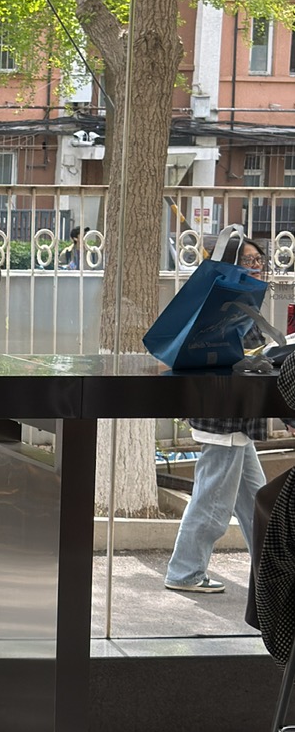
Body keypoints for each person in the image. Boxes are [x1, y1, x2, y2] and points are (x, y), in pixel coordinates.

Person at [165, 230, 268, 595]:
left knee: (258, 501)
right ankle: (185, 572)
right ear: (231, 265)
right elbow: (248, 355)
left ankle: (273, 570)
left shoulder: (224, 299)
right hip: (226, 417)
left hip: (230, 417)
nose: (257, 267)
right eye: (249, 261)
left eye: (259, 261)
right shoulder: (229, 303)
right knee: (212, 502)